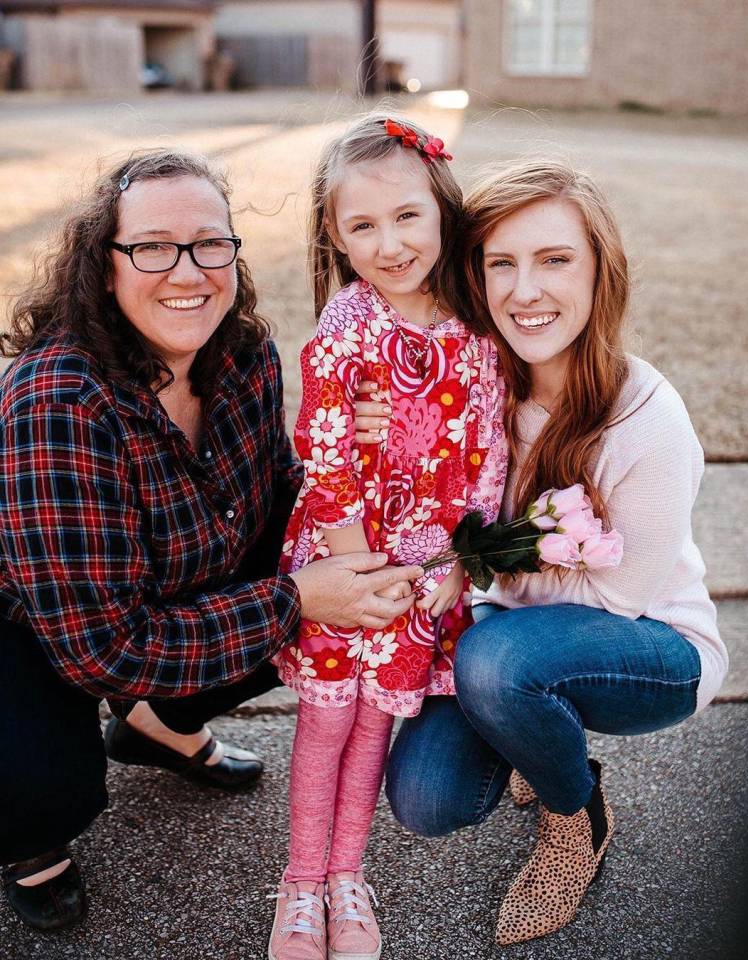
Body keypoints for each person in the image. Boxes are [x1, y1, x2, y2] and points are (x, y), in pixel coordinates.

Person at [0, 149, 422, 933]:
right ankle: (29, 843)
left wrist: (363, 462)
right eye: (154, 246)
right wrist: (295, 597)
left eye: (210, 243)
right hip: (35, 626)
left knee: (337, 581)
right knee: (43, 788)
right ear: (105, 264)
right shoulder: (59, 400)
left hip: (165, 586)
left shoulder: (245, 354)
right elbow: (100, 648)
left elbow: (279, 493)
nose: (187, 271)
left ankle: (155, 726)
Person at [356, 160, 729, 944]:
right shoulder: (476, 390)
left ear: (599, 272)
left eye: (554, 260)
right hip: (509, 642)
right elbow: (417, 507)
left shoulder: (647, 418)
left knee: (497, 662)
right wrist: (379, 433)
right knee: (427, 798)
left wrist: (490, 559)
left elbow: (617, 597)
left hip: (650, 648)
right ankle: (533, 727)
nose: (526, 291)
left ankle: (576, 817)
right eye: (502, 263)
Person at [267, 116, 507, 960]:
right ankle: (299, 885)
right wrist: (354, 563)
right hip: (344, 563)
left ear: (443, 208)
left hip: (422, 576)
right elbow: (323, 449)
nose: (389, 243)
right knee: (326, 726)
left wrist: (459, 566)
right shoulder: (348, 321)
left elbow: (491, 458)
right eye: (360, 226)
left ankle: (345, 875)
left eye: (406, 216)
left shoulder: (480, 331)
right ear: (333, 236)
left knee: (374, 729)